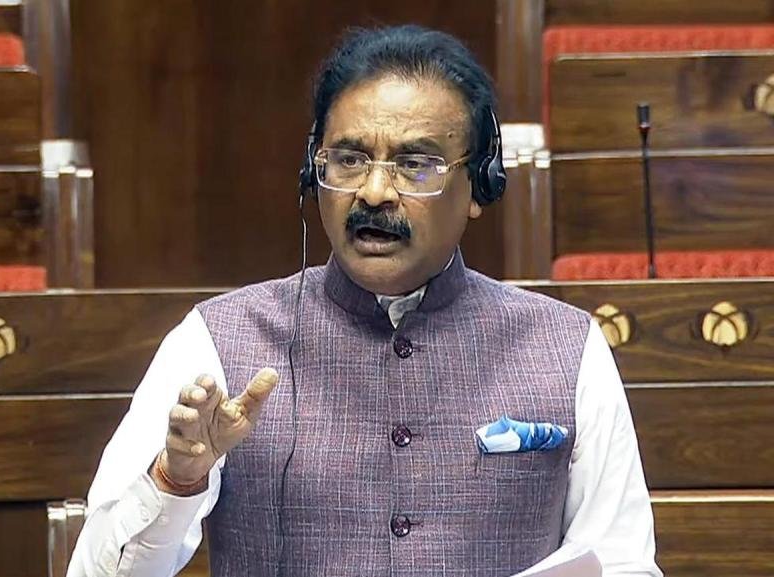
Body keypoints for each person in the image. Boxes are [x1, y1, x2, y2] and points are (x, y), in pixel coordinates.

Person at [68, 25, 662, 577]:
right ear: (314, 171)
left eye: (415, 164)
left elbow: (622, 563)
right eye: (349, 160)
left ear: (479, 185)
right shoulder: (215, 343)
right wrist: (176, 480)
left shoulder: (566, 348)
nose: (374, 192)